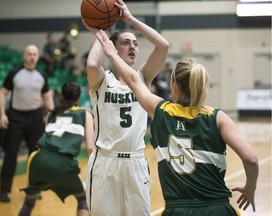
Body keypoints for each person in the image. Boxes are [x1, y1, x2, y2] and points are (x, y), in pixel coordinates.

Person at [92, 29, 259, 216]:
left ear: (173, 85)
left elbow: (132, 80)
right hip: (217, 208)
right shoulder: (218, 117)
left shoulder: (162, 112)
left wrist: (111, 52)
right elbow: (251, 160)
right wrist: (250, 188)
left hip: (177, 209)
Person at [83, 0, 169, 215]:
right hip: (105, 162)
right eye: (126, 42)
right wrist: (100, 31)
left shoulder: (142, 78)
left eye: (135, 43)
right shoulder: (101, 80)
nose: (133, 46)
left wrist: (130, 20)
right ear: (113, 47)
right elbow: (93, 64)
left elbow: (163, 46)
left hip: (135, 162)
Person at [18, 81, 94, 216]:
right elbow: (90, 147)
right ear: (79, 97)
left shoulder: (51, 114)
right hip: (62, 163)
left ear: (62, 96)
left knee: (29, 203)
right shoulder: (85, 114)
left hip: (39, 159)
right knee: (83, 198)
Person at [0, 44, 55, 202]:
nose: (31, 56)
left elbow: (47, 97)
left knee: (35, 156)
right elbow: (3, 94)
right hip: (16, 117)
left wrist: (51, 114)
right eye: (29, 53)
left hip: (35, 117)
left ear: (38, 56)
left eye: (34, 54)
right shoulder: (14, 73)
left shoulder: (42, 75)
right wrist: (3, 114)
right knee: (10, 154)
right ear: (24, 55)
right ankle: (4, 191)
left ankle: (35, 189)